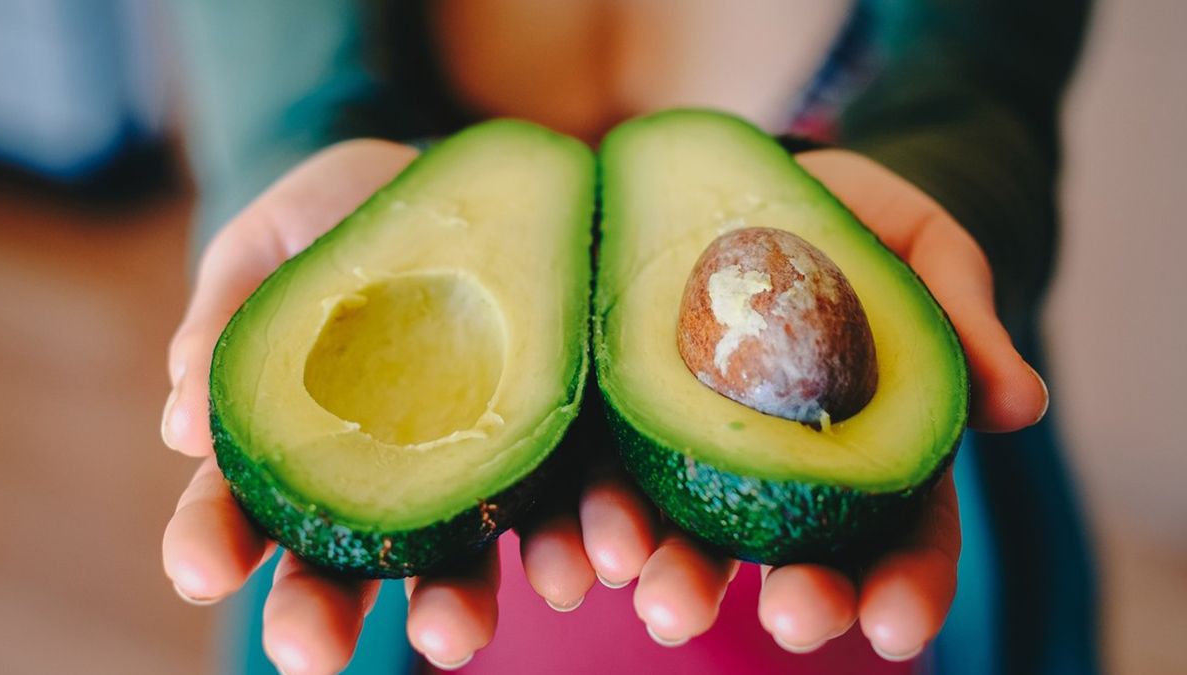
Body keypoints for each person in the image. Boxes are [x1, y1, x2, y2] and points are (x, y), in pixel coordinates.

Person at [160, 1, 1095, 673]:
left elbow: (985, 91)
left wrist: (952, 197)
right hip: (449, 572)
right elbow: (273, 85)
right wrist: (295, 165)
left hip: (855, 560)